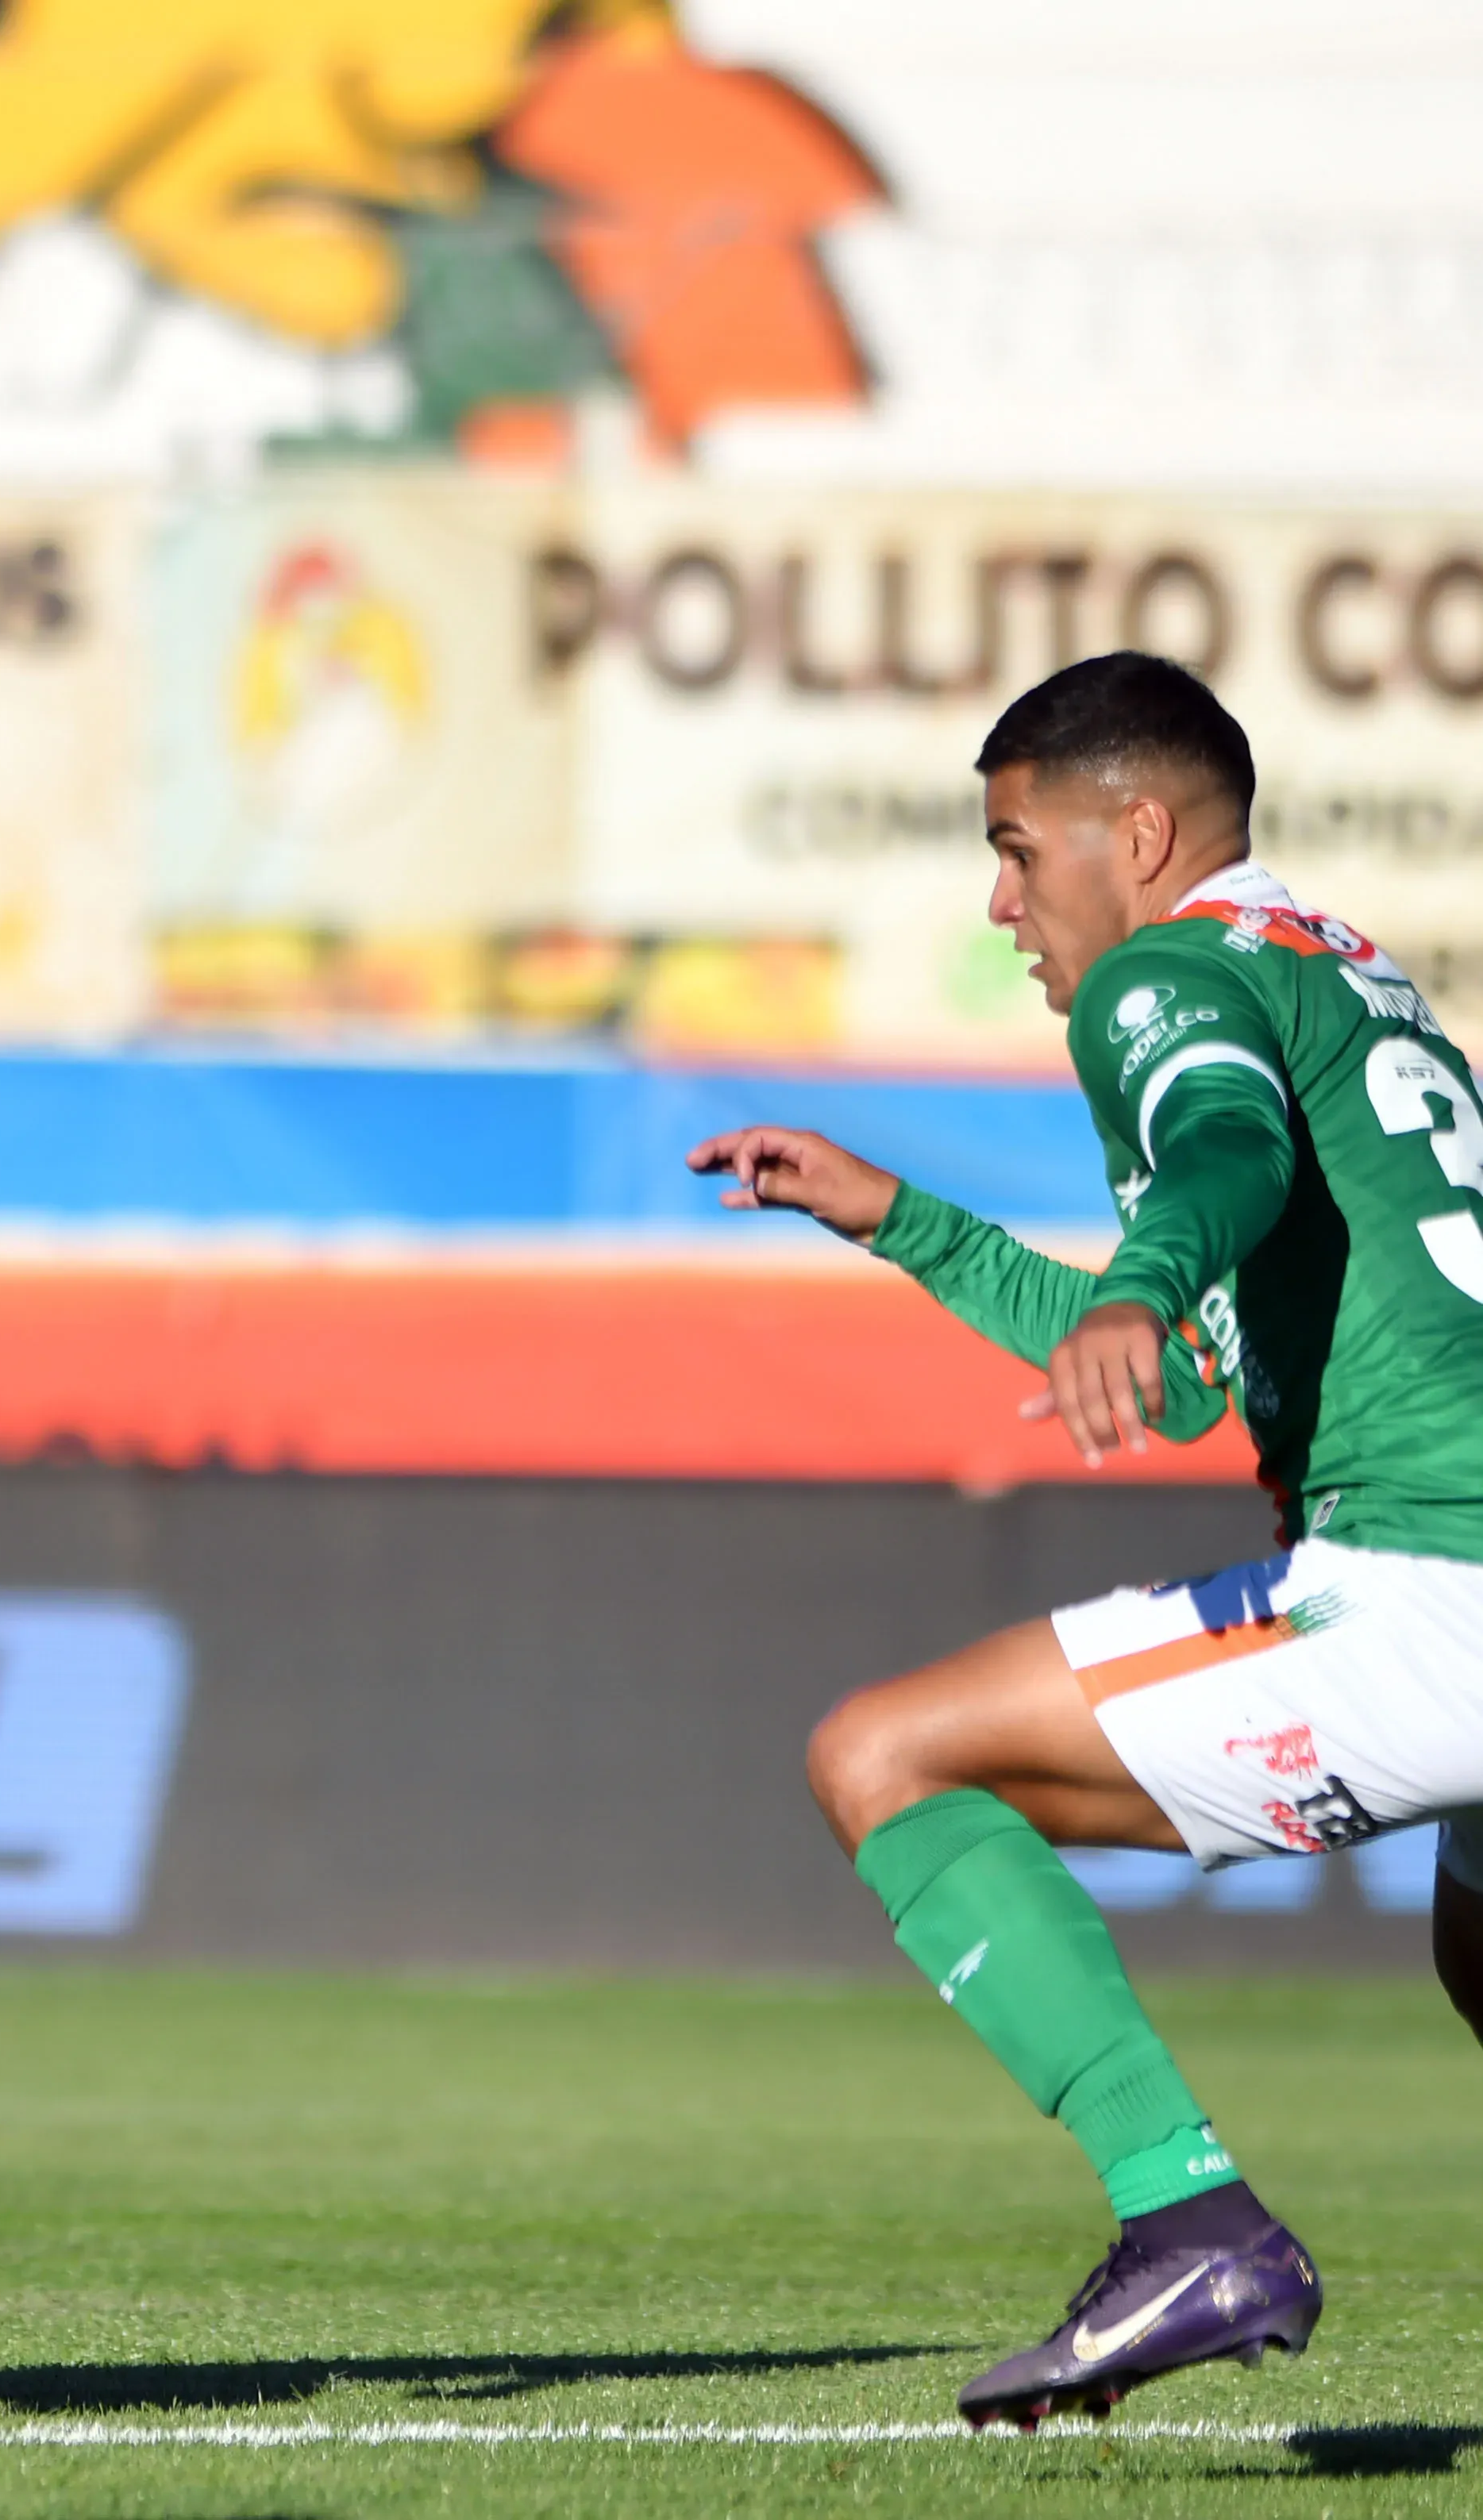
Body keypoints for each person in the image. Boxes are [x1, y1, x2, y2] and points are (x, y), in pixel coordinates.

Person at [680, 647, 1483, 2426]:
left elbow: (1222, 1151)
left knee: (882, 1755)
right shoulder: (1340, 970)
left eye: (1012, 849)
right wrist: (902, 1220)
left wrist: (1136, 1279)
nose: (1000, 905)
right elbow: (1185, 1383)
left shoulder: (1159, 975)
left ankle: (1186, 2222)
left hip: (1433, 1581)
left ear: (1134, 837)